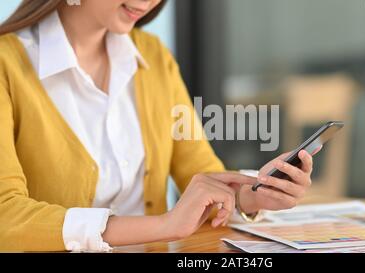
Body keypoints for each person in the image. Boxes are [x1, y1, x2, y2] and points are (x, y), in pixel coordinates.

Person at [0, 0, 314, 252]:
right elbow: (6, 217)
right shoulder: (6, 64)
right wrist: (164, 226)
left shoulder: (153, 56)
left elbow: (201, 174)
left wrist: (257, 194)